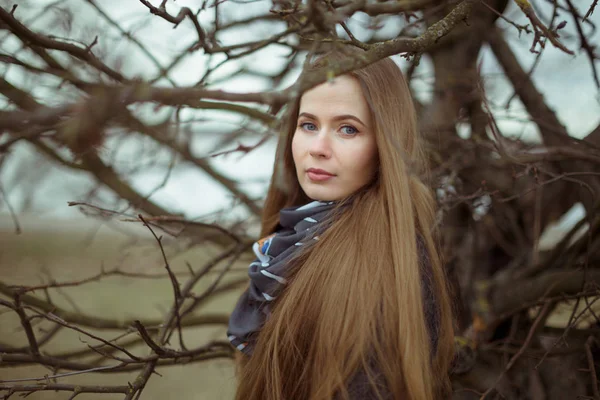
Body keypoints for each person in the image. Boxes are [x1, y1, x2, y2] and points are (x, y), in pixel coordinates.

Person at [227, 49, 456, 400]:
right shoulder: (295, 238)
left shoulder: (381, 268)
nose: (318, 148)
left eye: (348, 129)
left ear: (385, 145)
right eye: (308, 125)